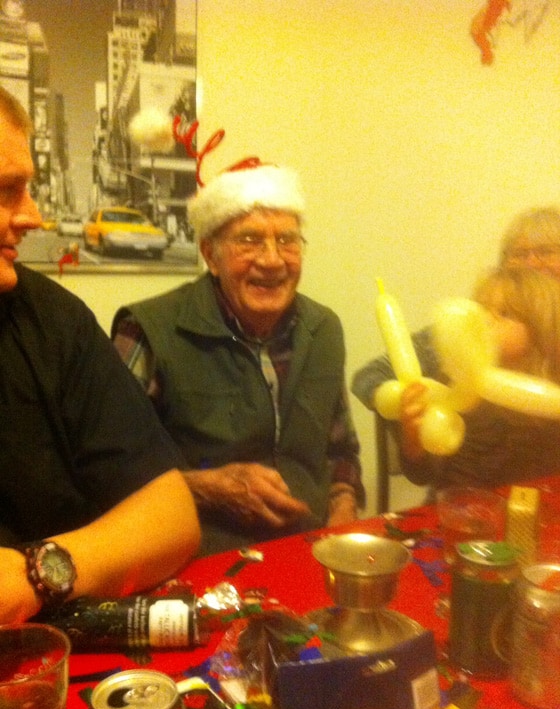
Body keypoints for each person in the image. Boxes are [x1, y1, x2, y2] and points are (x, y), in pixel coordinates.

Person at [0, 85, 201, 625]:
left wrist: (32, 577)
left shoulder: (53, 319)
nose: (34, 217)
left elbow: (173, 517)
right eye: (7, 190)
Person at [112, 162, 365, 555]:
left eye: (287, 240)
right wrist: (206, 489)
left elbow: (340, 451)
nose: (272, 260)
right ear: (210, 255)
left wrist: (343, 507)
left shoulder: (323, 330)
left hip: (310, 548)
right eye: (249, 240)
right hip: (199, 559)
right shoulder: (147, 330)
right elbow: (111, 471)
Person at [369, 267, 560, 493]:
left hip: (530, 505)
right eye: (481, 309)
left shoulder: (550, 396)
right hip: (458, 504)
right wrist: (414, 439)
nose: (486, 319)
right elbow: (421, 475)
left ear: (541, 331)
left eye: (504, 313)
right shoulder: (451, 383)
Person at [352, 205, 560, 410]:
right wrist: (400, 402)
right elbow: (369, 377)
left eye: (546, 252)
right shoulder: (475, 327)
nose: (531, 263)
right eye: (520, 254)